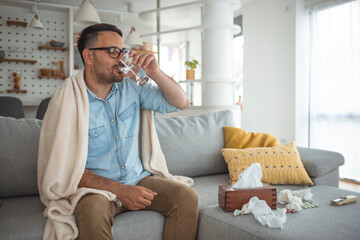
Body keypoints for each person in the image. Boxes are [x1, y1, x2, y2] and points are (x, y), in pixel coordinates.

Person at [46, 23, 198, 240]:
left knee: (185, 197)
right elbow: (65, 169)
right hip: (96, 189)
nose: (121, 58)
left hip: (138, 179)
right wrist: (120, 190)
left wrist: (154, 72)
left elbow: (181, 102)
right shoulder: (68, 100)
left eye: (123, 51)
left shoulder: (132, 87)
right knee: (93, 212)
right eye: (113, 52)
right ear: (88, 57)